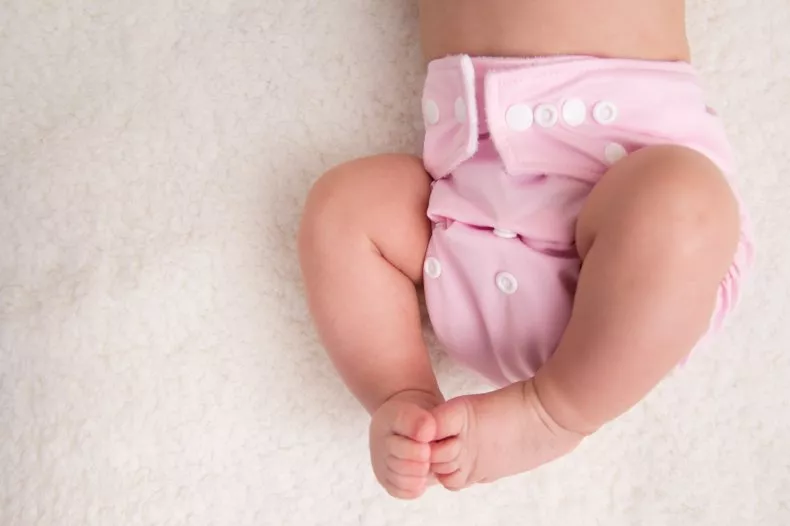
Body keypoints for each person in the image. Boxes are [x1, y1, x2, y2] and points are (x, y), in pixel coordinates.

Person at [298, 0, 754, 500]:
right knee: (343, 205)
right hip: (464, 214)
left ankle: (555, 413)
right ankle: (404, 396)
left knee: (683, 202)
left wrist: (553, 409)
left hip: (638, 232)